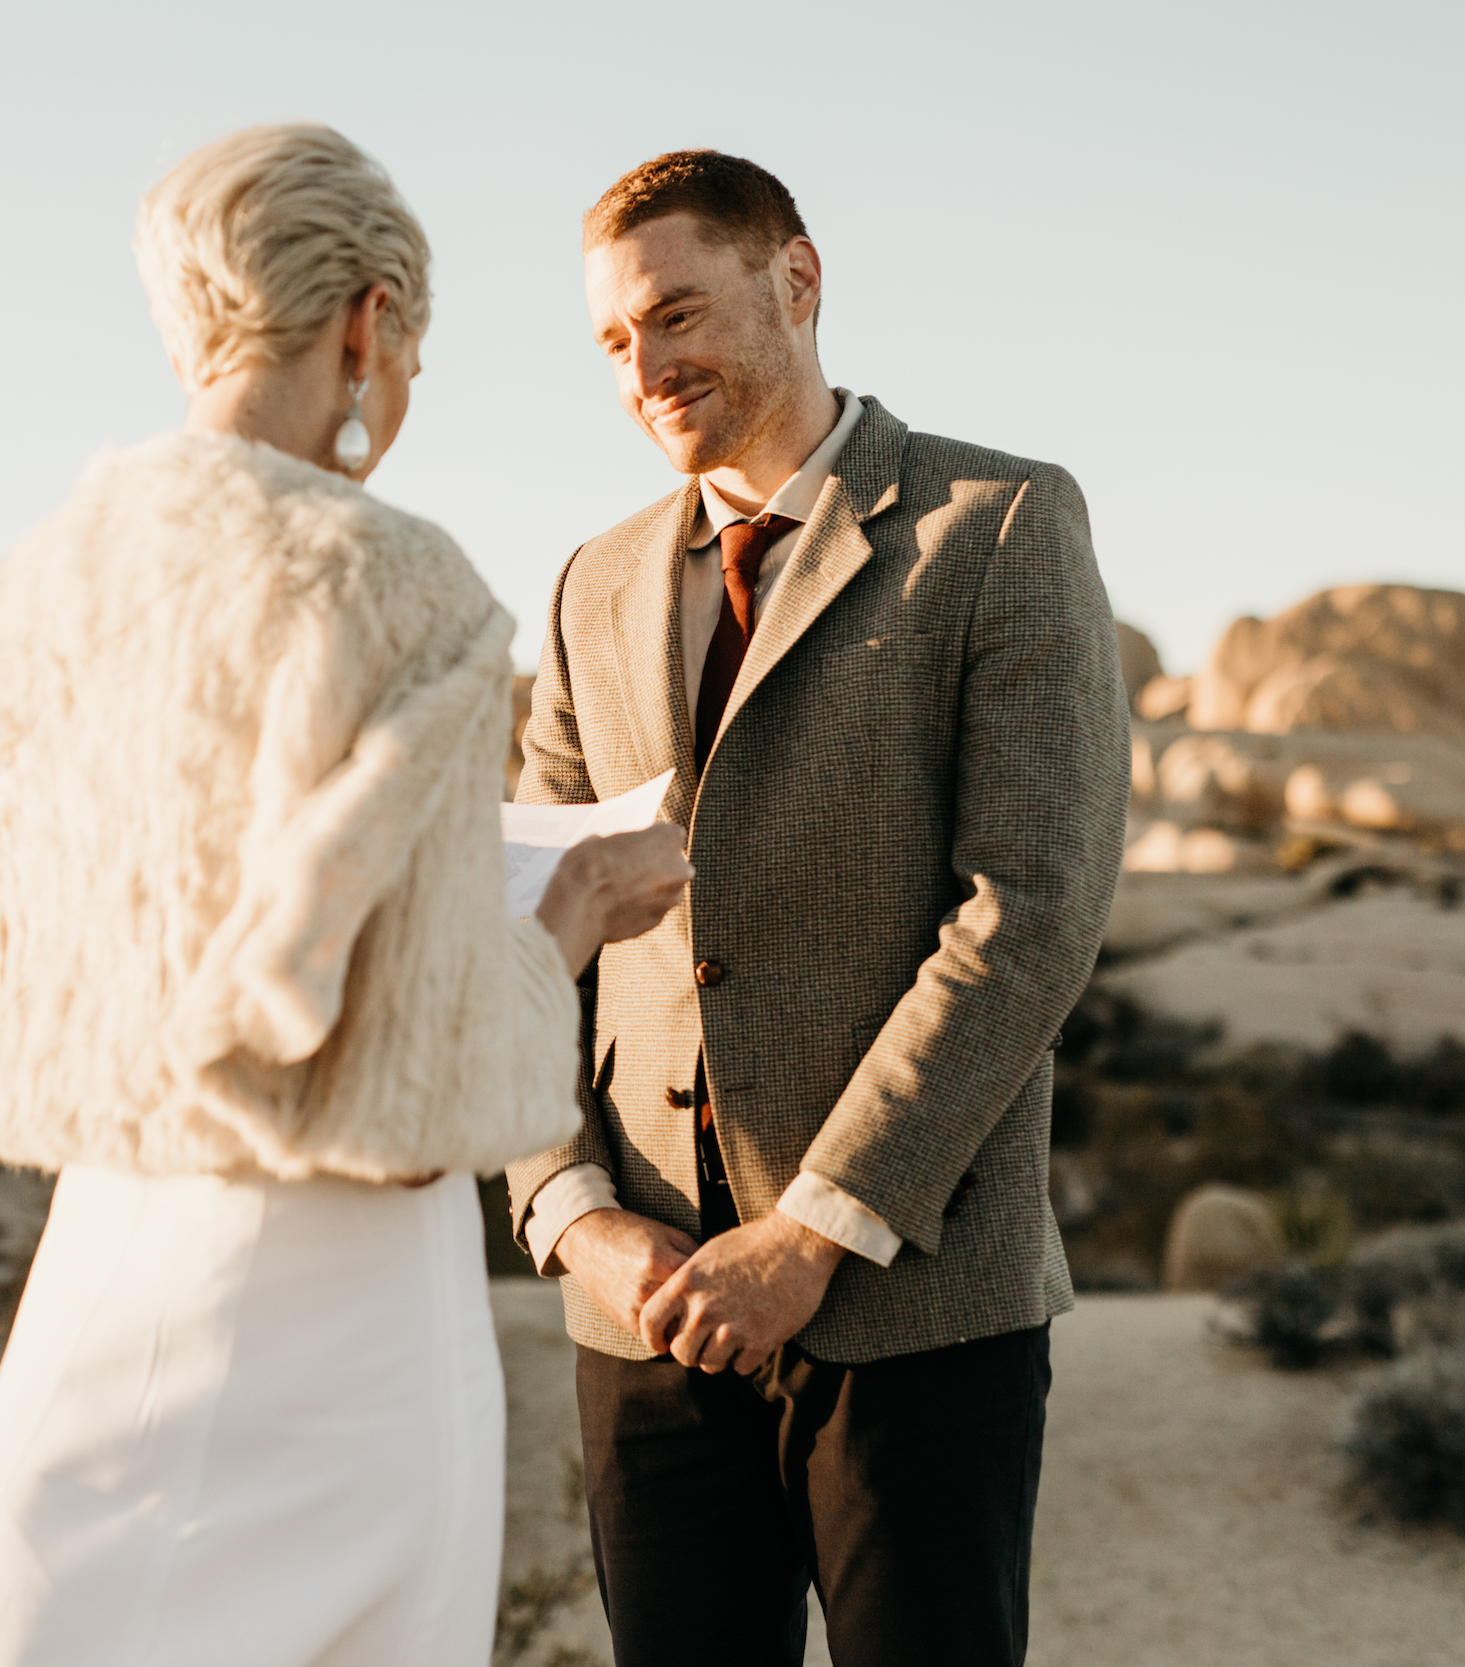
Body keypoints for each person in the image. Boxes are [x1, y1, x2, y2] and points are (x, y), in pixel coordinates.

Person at [0, 123, 692, 1667]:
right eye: (408, 343)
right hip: (329, 1303)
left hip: (114, 1251)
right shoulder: (384, 581)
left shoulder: (40, 586)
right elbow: (400, 1078)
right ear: (363, 317)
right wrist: (575, 908)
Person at [504, 150, 1131, 1666]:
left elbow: (1028, 913)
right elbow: (519, 934)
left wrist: (814, 1236)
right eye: (612, 341)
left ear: (799, 280)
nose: (646, 370)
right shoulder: (591, 584)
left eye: (676, 314)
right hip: (644, 1309)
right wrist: (574, 1215)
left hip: (909, 1305)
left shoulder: (997, 526)